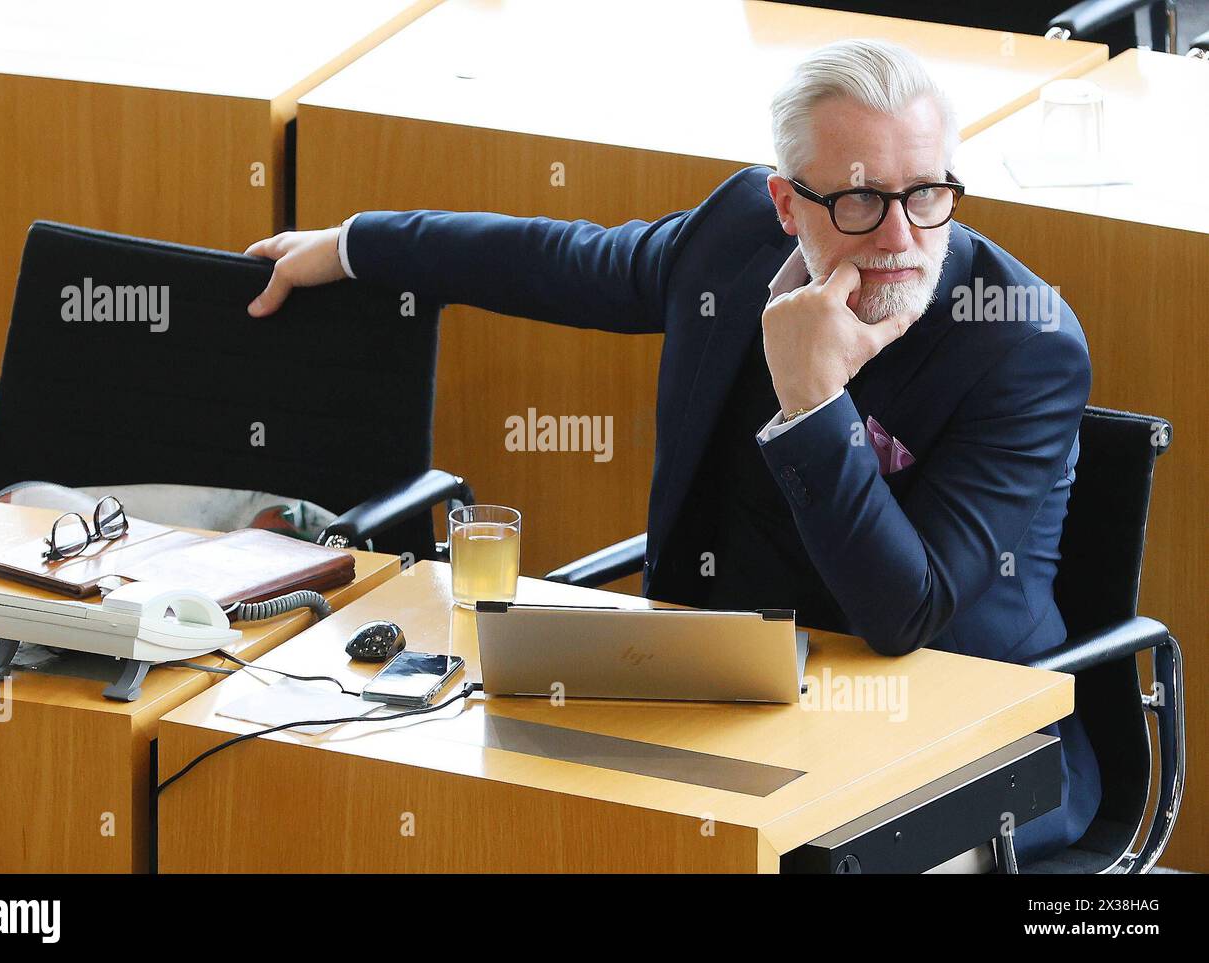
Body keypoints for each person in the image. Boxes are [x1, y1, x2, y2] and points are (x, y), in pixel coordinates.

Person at [243, 39, 1099, 866]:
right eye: (859, 201)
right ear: (785, 205)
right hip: (717, 694)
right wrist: (358, 245)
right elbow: (567, 260)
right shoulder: (734, 238)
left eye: (926, 195)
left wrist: (814, 402)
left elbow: (906, 613)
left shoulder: (1024, 346)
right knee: (483, 802)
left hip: (952, 739)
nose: (899, 238)